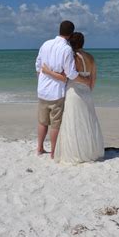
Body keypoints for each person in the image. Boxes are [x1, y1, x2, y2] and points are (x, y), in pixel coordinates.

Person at [42, 32, 104, 164]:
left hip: (73, 92)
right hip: (86, 93)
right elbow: (92, 79)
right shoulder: (91, 58)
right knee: (87, 123)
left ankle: (75, 152)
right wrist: (87, 90)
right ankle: (89, 151)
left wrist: (48, 72)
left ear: (70, 43)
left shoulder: (72, 57)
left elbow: (67, 75)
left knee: (73, 123)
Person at [35, 21, 90, 159]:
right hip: (56, 92)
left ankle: (40, 148)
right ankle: (53, 152)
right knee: (55, 123)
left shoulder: (45, 44)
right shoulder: (66, 49)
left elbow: (38, 66)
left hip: (42, 90)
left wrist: (43, 79)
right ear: (71, 34)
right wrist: (84, 80)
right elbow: (70, 74)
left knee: (42, 121)